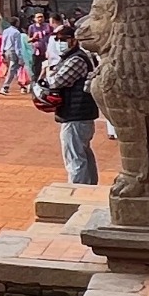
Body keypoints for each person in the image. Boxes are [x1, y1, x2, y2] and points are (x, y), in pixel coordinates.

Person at [34, 29, 101, 184]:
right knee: (82, 154)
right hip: (78, 114)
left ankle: (78, 192)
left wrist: (46, 77)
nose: (59, 43)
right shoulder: (72, 57)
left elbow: (56, 81)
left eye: (63, 39)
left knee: (75, 159)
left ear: (73, 40)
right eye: (57, 39)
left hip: (76, 114)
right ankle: (89, 188)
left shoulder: (76, 59)